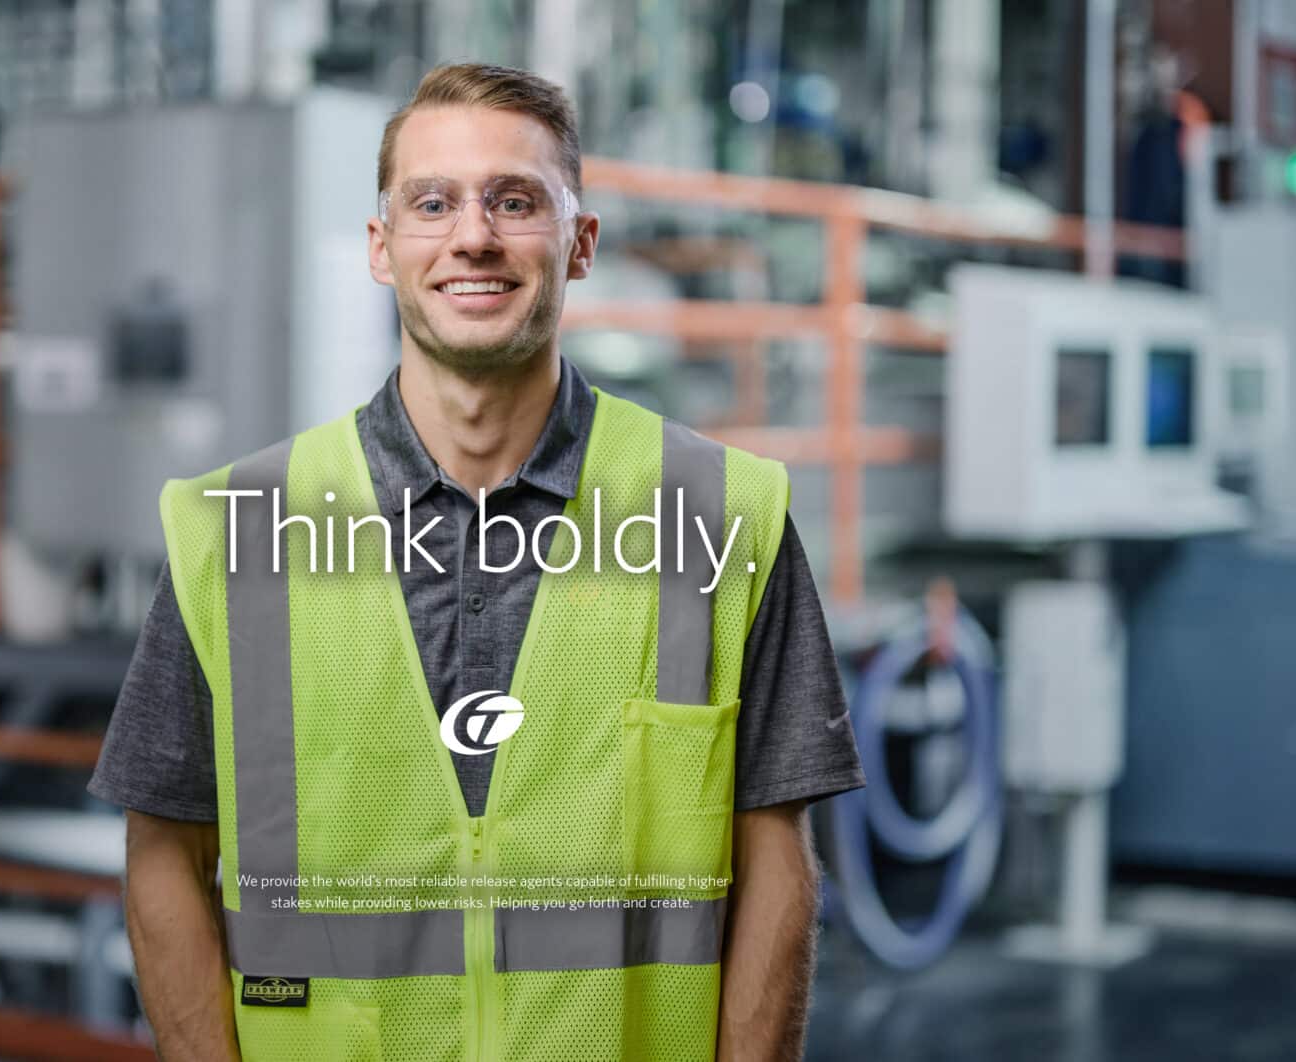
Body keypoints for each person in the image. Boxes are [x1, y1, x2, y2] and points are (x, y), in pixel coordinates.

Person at [90, 62, 864, 1061]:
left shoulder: (724, 517)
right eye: (432, 203)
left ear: (579, 244)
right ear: (382, 246)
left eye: (515, 200)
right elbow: (164, 852)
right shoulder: (240, 527)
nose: (473, 236)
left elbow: (776, 865)